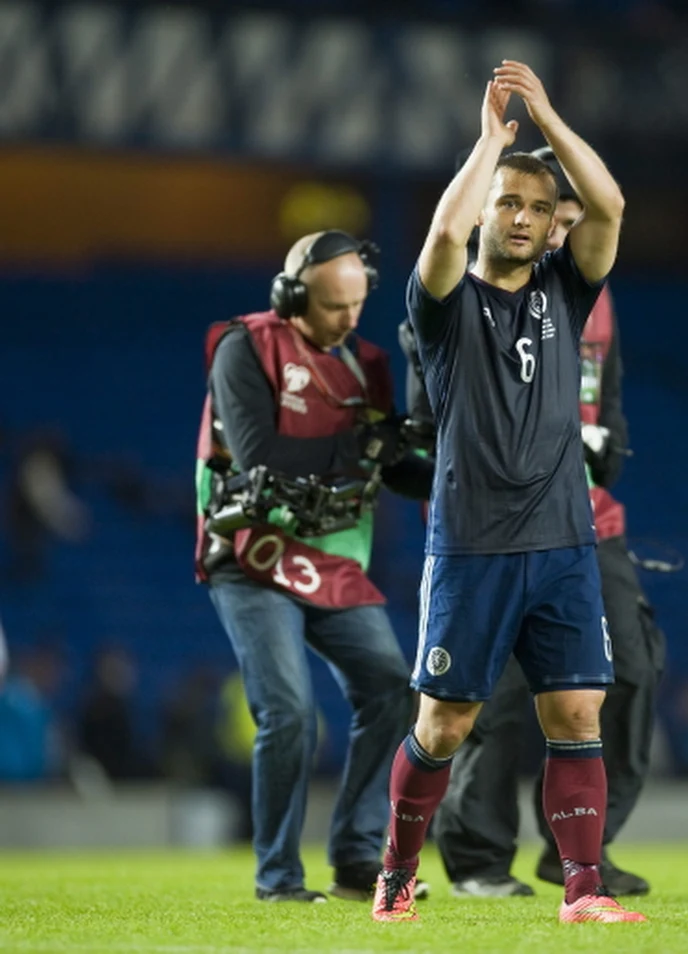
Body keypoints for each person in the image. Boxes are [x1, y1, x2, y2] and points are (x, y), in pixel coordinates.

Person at [374, 61, 644, 924]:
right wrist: (490, 145)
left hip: (563, 538)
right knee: (446, 724)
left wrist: (551, 120)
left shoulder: (568, 288)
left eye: (535, 207)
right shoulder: (443, 308)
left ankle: (582, 890)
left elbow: (609, 208)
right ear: (486, 208)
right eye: (509, 203)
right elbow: (442, 240)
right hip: (473, 543)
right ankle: (395, 875)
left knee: (575, 709)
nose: (523, 218)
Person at [195, 230, 432, 903]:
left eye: (358, 305)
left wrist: (437, 457)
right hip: (250, 552)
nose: (350, 320)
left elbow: (392, 468)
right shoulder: (245, 346)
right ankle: (278, 878)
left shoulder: (365, 365)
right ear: (292, 294)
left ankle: (358, 858)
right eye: (334, 307)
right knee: (290, 713)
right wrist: (365, 441)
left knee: (391, 686)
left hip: (329, 560)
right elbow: (260, 455)